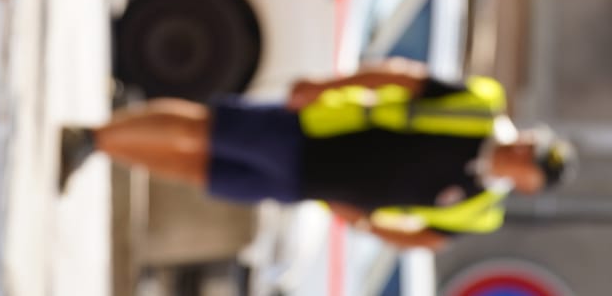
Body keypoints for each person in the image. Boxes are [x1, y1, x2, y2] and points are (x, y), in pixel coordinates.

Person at [55, 61, 574, 250]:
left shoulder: (480, 211)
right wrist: (327, 85)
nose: (521, 152)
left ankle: (105, 150)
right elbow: (400, 77)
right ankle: (95, 136)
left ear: (527, 184)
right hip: (313, 135)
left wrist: (366, 225)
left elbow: (425, 240)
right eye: (532, 145)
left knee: (201, 170)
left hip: (309, 187)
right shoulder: (480, 108)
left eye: (530, 162)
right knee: (204, 129)